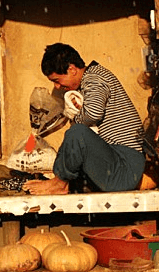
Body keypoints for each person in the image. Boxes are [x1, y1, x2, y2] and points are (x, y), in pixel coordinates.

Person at [23, 43, 145, 195]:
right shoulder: (88, 82)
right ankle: (60, 182)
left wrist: (75, 116)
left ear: (72, 69)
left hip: (124, 166)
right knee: (74, 137)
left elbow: (93, 114)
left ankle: (59, 183)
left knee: (78, 133)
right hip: (114, 162)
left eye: (57, 80)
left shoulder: (94, 78)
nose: (57, 86)